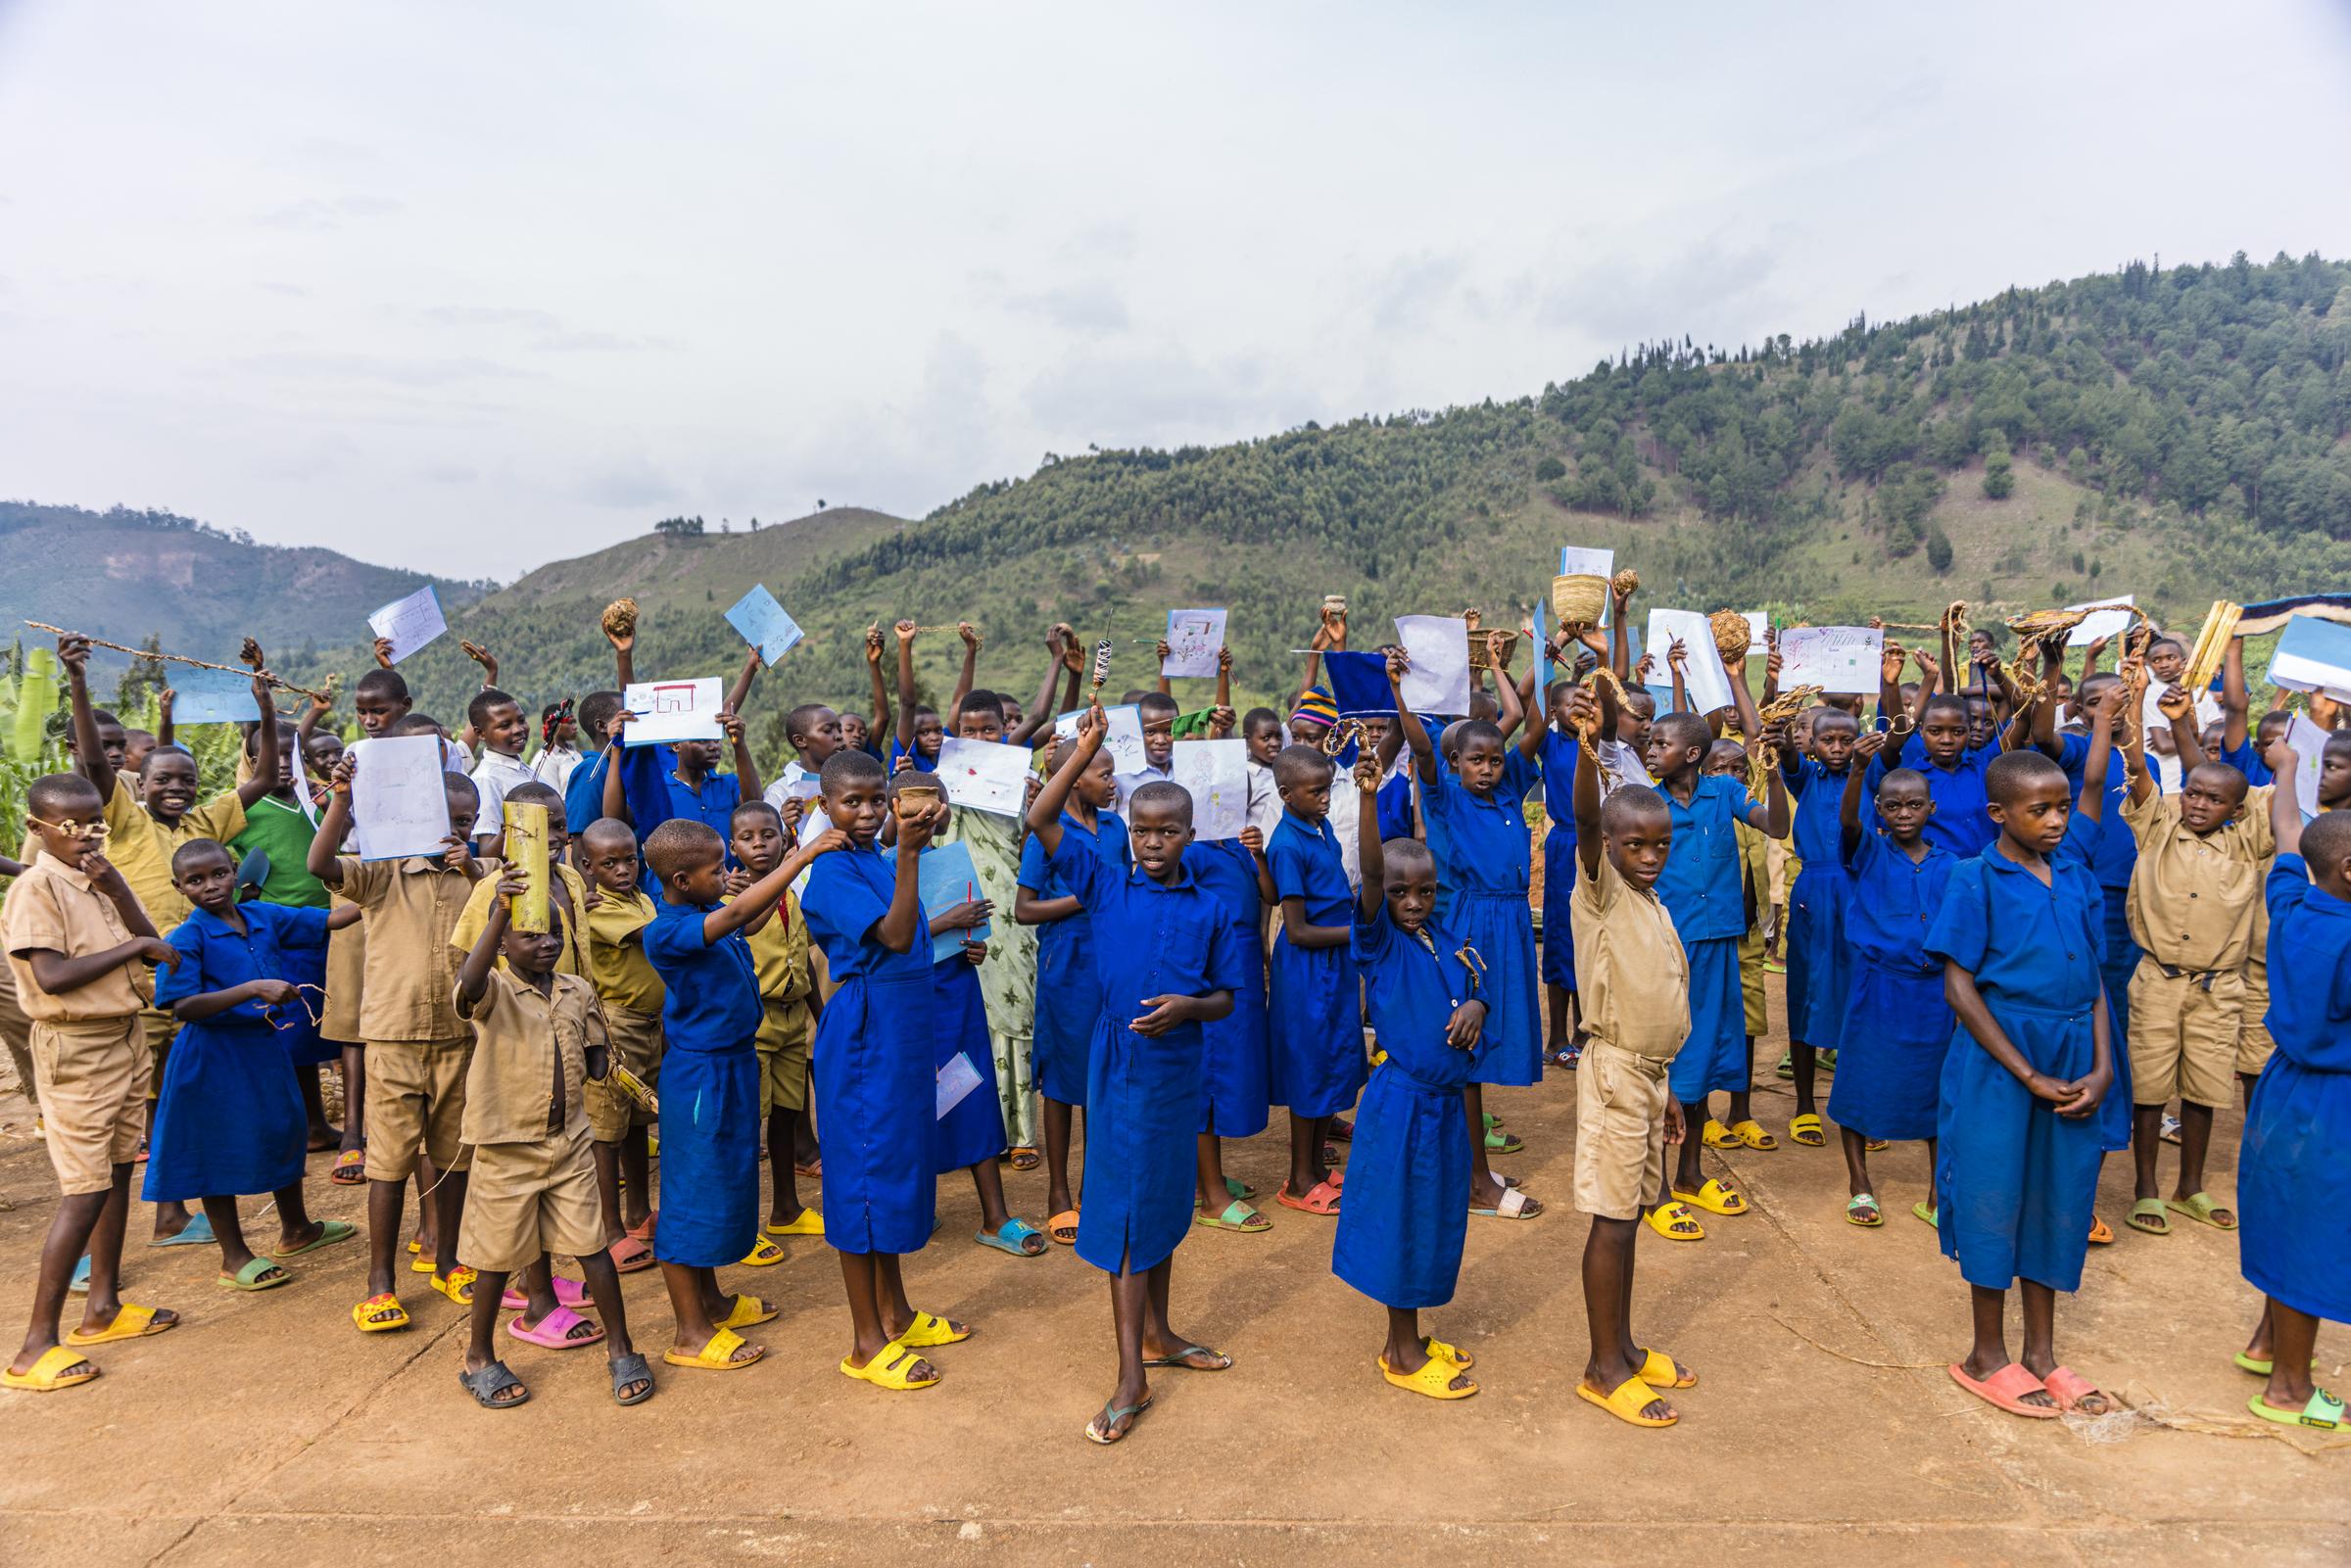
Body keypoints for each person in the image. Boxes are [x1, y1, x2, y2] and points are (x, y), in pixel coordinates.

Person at [1027, 699, 1245, 1444]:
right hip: (1118, 1064)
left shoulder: (1210, 906)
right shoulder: (1103, 880)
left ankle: (1160, 1334)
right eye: (1143, 829)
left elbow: (1225, 997)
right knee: (1122, 1217)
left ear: (1190, 833)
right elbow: (1042, 821)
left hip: (1176, 1065)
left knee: (1160, 1205)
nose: (1153, 842)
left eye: (1168, 831)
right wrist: (1081, 747)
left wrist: (1189, 1006)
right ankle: (1130, 1377)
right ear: (1128, 823)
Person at [52, 633, 280, 1244]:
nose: (174, 788)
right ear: (138, 783)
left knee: (179, 1097)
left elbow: (262, 776)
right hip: (143, 982)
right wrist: (77, 680)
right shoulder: (123, 818)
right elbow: (97, 767)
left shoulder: (205, 822)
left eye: (186, 778)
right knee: (149, 1102)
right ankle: (146, 1220)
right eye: (161, 779)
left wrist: (263, 708)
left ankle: (171, 1210)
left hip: (199, 980)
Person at [1925, 750, 2115, 1419]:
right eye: (2040, 810)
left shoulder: (2077, 876)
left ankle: (2041, 1351)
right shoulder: (1974, 878)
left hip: (2073, 1053)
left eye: (2063, 806)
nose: (2058, 820)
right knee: (1992, 1193)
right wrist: (2027, 1072)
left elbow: (2092, 975)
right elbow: (1959, 985)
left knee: (2058, 1197)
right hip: (2001, 1059)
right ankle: (1985, 1351)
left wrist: (2103, 1065)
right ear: (1999, 814)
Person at [1, 774, 180, 1393]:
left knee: (119, 1168)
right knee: (82, 1190)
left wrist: (120, 887)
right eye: (70, 826)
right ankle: (32, 1347)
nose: (85, 836)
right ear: (38, 829)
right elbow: (51, 977)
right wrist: (136, 944)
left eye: (95, 823)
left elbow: (150, 940)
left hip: (123, 1036)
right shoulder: (36, 889)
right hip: (76, 1050)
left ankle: (101, 1308)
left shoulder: (94, 881)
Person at [639, 813, 837, 1373]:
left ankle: (712, 1301)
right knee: (690, 1199)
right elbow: (741, 915)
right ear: (681, 881)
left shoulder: (701, 911)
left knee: (722, 1186)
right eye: (714, 869)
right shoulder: (667, 930)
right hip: (701, 1078)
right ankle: (690, 1333)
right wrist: (799, 858)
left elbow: (741, 924)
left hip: (730, 1066)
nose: (726, 873)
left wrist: (733, 891)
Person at [449, 874, 652, 1409]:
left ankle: (621, 1348)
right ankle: (478, 1356)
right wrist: (497, 914)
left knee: (592, 1249)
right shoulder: (494, 989)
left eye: (554, 934)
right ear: (506, 944)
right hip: (506, 1147)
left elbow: (592, 1053)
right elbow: (468, 983)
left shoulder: (575, 989)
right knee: (495, 1260)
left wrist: (602, 1057)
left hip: (569, 1145)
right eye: (531, 935)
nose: (546, 944)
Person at [798, 752, 969, 1390]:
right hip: (867, 1035)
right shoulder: (832, 872)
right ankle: (865, 1341)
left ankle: (895, 1310)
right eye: (854, 802)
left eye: (878, 800)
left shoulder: (871, 856)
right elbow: (895, 938)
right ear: (826, 806)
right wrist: (909, 855)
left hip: (900, 1032)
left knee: (893, 1166)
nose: (868, 812)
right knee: (863, 1180)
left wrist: (903, 849)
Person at [306, 759, 487, 1332]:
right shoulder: (382, 873)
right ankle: (379, 1283)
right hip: (393, 1038)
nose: (456, 831)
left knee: (454, 1156)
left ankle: (449, 1260)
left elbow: (510, 918)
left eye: (468, 821)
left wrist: (477, 867)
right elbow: (320, 865)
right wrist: (341, 799)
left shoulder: (479, 880)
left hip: (462, 1036)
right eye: (449, 820)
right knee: (388, 1163)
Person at [2085, 680, 2270, 1237]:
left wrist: (2190, 726)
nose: (2199, 804)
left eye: (2214, 800)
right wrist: (2135, 709)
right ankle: (2146, 1186)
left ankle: (2189, 1185)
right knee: (2148, 1088)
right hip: (2157, 979)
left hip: (2219, 987)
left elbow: (2256, 792)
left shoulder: (2249, 842)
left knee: (2205, 1088)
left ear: (2236, 810)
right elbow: (2138, 772)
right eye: (2192, 793)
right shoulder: (2158, 825)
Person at [1562, 681, 1696, 1428]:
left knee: (1634, 1215)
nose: (1648, 856)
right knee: (1610, 1221)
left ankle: (1627, 1345)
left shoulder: (1652, 900)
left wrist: (1668, 1086)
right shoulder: (1601, 890)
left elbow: (1657, 1002)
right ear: (1608, 846)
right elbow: (1586, 814)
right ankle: (1602, 1366)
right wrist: (1588, 748)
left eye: (1658, 845)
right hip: (1613, 1076)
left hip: (1647, 1078)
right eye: (1633, 845)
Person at [144, 839, 359, 1292]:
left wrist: (385, 891)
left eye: (219, 874)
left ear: (236, 872)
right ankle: (233, 1254)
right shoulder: (186, 938)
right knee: (214, 1148)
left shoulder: (263, 916)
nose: (210, 886)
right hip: (211, 1057)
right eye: (195, 880)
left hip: (264, 1048)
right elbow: (182, 1007)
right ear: (179, 887)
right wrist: (251, 990)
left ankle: (296, 1229)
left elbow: (332, 919)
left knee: (285, 1130)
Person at [1333, 755, 1483, 1399]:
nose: (1413, 902)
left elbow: (1474, 986)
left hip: (1444, 1106)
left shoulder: (1445, 937)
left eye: (1424, 890)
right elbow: (1370, 871)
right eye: (1399, 893)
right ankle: (1398, 1349)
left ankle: (1415, 1334)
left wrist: (1478, 1002)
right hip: (1403, 1105)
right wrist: (1369, 798)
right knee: (1402, 1219)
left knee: (1435, 1216)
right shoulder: (1381, 941)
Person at [1393, 637, 1543, 1218]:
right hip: (1470, 927)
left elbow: (1530, 721)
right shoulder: (1444, 795)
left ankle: (1469, 1162)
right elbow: (1421, 750)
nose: (1486, 768)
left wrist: (1503, 668)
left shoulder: (1509, 791)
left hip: (1508, 923)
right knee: (1468, 1051)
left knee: (1484, 1052)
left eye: (1494, 759)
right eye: (1474, 759)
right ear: (1455, 764)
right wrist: (1397, 691)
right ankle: (1477, 1183)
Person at [1643, 670, 1788, 1220]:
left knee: (1702, 1062)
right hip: (1668, 951)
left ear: (1693, 753)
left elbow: (1775, 825)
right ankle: (1654, 1187)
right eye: (1651, 742)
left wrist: (1771, 772)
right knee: (1664, 1060)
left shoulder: (1725, 791)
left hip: (1720, 944)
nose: (1652, 751)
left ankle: (1690, 1174)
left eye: (1662, 743)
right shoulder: (1647, 804)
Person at [2232, 748, 2346, 1429]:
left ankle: (2267, 1340)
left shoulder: (2295, 899)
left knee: (2287, 1212)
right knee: (2317, 1233)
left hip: (2284, 1088)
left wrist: (2287, 768)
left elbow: (2286, 832)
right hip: (2336, 1101)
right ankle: (2290, 1389)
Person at [885, 776, 1044, 1257]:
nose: (931, 814)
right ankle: (917, 1206)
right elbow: (887, 940)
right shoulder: (881, 866)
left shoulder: (953, 860)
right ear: (896, 809)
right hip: (908, 1000)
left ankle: (995, 1217)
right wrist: (947, 922)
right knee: (915, 1099)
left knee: (971, 1091)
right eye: (916, 805)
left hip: (957, 990)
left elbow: (961, 935)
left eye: (940, 803)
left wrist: (969, 946)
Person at [1826, 739, 1956, 1226]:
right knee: (1861, 1079)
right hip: (1877, 986)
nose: (1905, 814)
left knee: (1940, 1086)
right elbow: (1848, 823)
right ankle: (1861, 1184)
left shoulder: (1952, 865)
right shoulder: (1868, 852)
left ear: (1931, 808)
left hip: (1935, 992)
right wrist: (1859, 770)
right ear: (1879, 809)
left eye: (1915, 805)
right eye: (1894, 805)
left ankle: (1937, 1192)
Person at [1015, 728, 1128, 1245]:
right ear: (1074, 778)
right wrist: (1083, 900)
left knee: (1102, 1074)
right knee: (1063, 1079)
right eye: (1104, 773)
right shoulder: (1050, 832)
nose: (1112, 781)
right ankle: (1058, 1192)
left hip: (1112, 960)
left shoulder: (1116, 827)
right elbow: (1024, 908)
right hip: (1069, 965)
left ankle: (1092, 1188)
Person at [937, 688, 1049, 1170]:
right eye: (969, 730)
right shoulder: (941, 780)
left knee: (1016, 1020)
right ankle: (972, 1136)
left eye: (990, 729)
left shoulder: (1023, 781)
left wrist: (1038, 803)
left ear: (1005, 731)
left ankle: (1021, 1132)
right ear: (956, 732)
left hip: (1012, 913)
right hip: (958, 910)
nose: (980, 737)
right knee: (964, 1021)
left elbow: (1039, 842)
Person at [1266, 743, 1363, 1215]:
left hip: (1335, 964)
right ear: (1286, 794)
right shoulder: (1286, 845)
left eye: (1327, 788)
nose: (1326, 798)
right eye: (1315, 791)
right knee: (1309, 1069)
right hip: (1309, 969)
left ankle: (1319, 1169)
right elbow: (1298, 930)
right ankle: (1299, 1179)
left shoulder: (1319, 827)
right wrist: (1359, 932)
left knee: (1331, 1062)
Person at [723, 801, 822, 1245]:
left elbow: (803, 965)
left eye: (769, 835)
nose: (760, 844)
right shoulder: (728, 901)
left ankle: (786, 1208)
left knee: (786, 1116)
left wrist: (824, 1017)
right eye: (748, 838)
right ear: (733, 847)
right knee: (749, 1127)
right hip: (755, 1026)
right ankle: (742, 1224)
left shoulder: (792, 895)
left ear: (785, 840)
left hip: (792, 1021)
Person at [577, 818, 664, 1271]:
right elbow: (652, 937)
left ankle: (637, 1213)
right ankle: (609, 1229)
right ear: (588, 866)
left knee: (636, 1123)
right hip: (616, 1027)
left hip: (650, 1024)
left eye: (630, 859)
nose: (622, 869)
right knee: (607, 1131)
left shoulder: (643, 897)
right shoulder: (597, 908)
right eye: (609, 863)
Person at [1781, 699, 1864, 1149]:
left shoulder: (1868, 778)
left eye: (1845, 740)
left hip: (1859, 892)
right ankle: (1804, 1105)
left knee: (1858, 996)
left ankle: (1855, 1106)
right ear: (1811, 743)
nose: (1836, 747)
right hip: (1814, 894)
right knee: (1806, 993)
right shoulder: (1805, 777)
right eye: (1827, 740)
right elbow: (1786, 756)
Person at [1188, 823, 1274, 1234]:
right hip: (1213, 962)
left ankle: (1208, 1178)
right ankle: (1212, 1195)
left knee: (1231, 1070)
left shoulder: (1235, 842)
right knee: (1211, 1074)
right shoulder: (1192, 848)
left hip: (1243, 963)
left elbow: (1268, 895)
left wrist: (1257, 852)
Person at [465, 683, 538, 856]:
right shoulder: (487, 779)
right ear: (481, 733)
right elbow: (487, 853)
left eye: (521, 720)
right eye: (505, 725)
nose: (519, 729)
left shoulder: (523, 768)